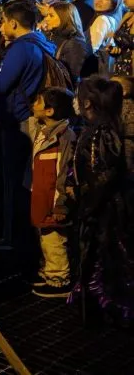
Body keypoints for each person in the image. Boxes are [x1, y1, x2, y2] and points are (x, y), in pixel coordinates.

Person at [0, 0, 54, 252]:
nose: (1, 29)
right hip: (29, 119)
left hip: (17, 122)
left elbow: (1, 86)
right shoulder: (41, 42)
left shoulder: (22, 48)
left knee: (14, 182)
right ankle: (21, 236)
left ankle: (14, 238)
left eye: (3, 23)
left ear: (13, 23)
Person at [68, 76, 134, 324]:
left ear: (87, 104)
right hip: (99, 210)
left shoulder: (101, 134)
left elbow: (104, 175)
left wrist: (88, 205)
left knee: (104, 260)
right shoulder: (98, 130)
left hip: (103, 214)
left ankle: (107, 313)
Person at [29, 87, 76, 299]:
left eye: (38, 102)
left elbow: (64, 173)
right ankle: (49, 271)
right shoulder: (43, 132)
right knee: (46, 237)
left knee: (54, 239)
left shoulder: (64, 137)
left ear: (49, 111)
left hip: (53, 200)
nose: (33, 105)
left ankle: (59, 280)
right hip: (41, 196)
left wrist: (61, 204)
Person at [40, 1, 94, 85]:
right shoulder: (52, 36)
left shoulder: (75, 43)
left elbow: (71, 77)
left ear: (64, 18)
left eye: (51, 16)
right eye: (47, 15)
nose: (46, 19)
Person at [91, 0, 125, 73]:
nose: (100, 1)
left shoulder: (102, 20)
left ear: (114, 3)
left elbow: (91, 48)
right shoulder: (116, 20)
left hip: (97, 70)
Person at [109, 0, 134, 76]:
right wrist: (115, 50)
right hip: (122, 71)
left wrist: (116, 35)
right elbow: (125, 47)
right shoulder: (128, 15)